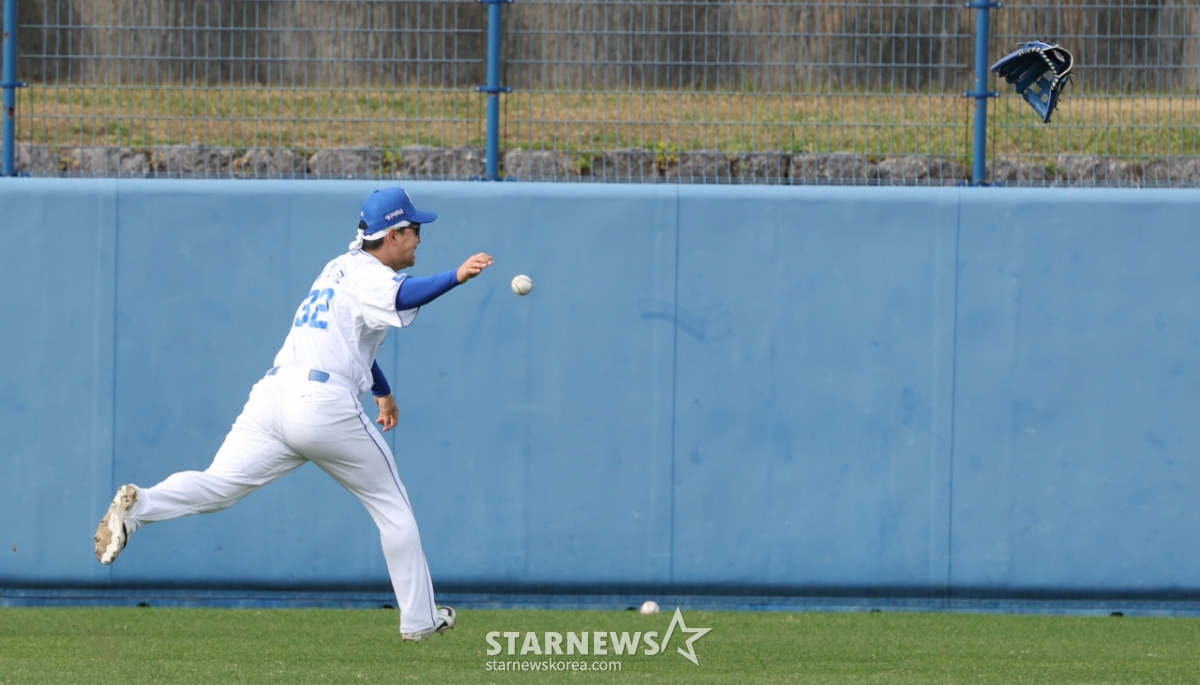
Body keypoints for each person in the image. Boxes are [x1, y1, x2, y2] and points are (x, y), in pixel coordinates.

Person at [93, 187, 493, 642]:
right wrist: (457, 276)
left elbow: (349, 341)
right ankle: (420, 620)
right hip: (322, 405)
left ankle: (140, 505)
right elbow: (404, 297)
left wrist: (382, 392)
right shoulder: (371, 275)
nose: (420, 237)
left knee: (219, 485)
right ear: (393, 234)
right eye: (415, 229)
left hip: (273, 394)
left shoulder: (337, 268)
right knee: (394, 509)